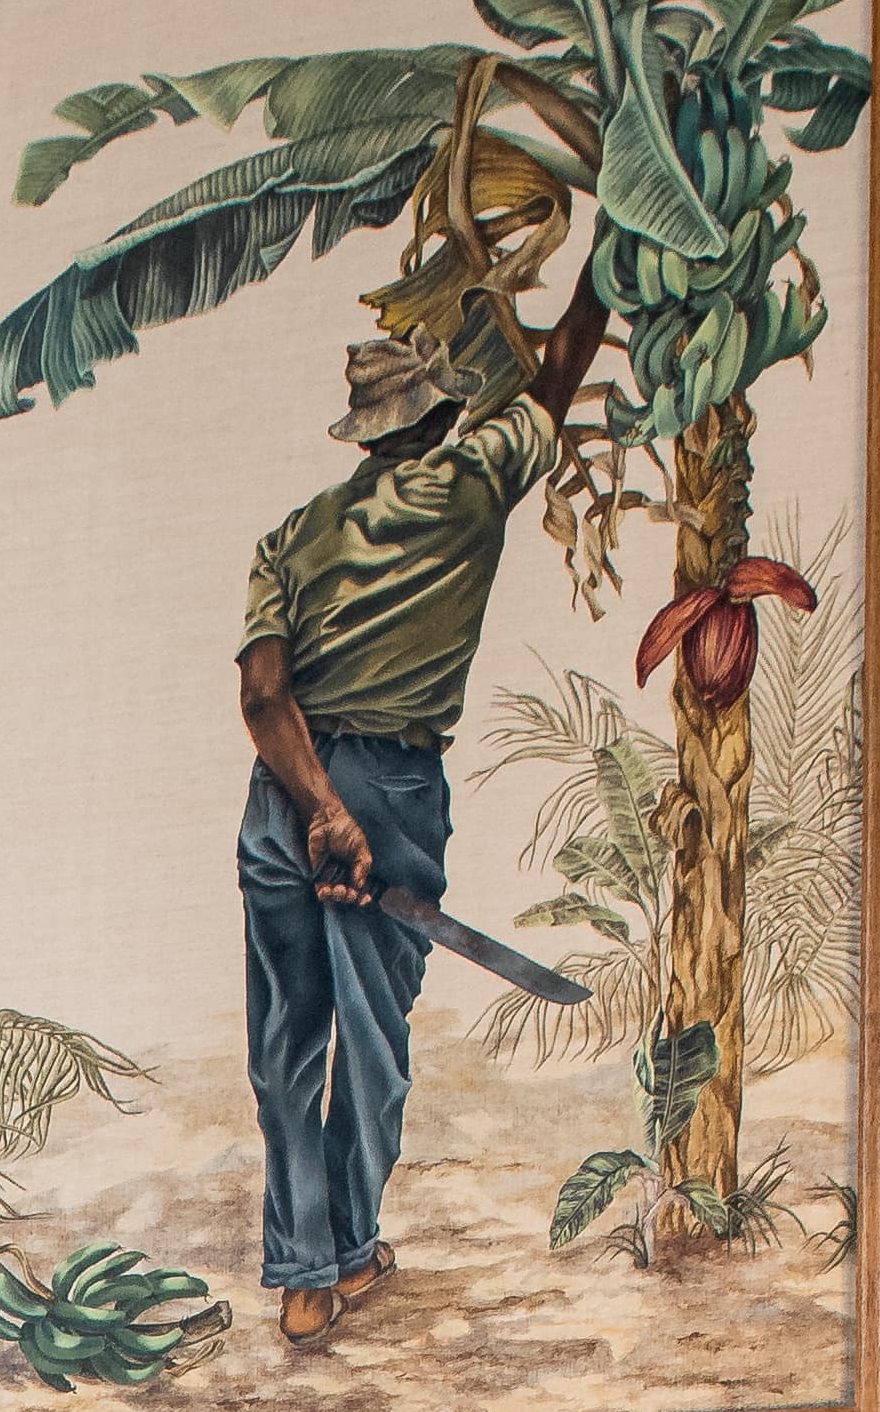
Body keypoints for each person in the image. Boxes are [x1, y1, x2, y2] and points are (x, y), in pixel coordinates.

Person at [235, 257, 607, 1348]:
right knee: (371, 1037)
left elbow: (262, 694)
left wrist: (311, 804)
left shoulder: (291, 535)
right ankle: (347, 1251)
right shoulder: (476, 479)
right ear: (440, 415)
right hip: (387, 792)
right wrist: (603, 267)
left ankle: (305, 1279)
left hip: (281, 790)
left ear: (364, 435)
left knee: (286, 1042)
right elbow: (560, 371)